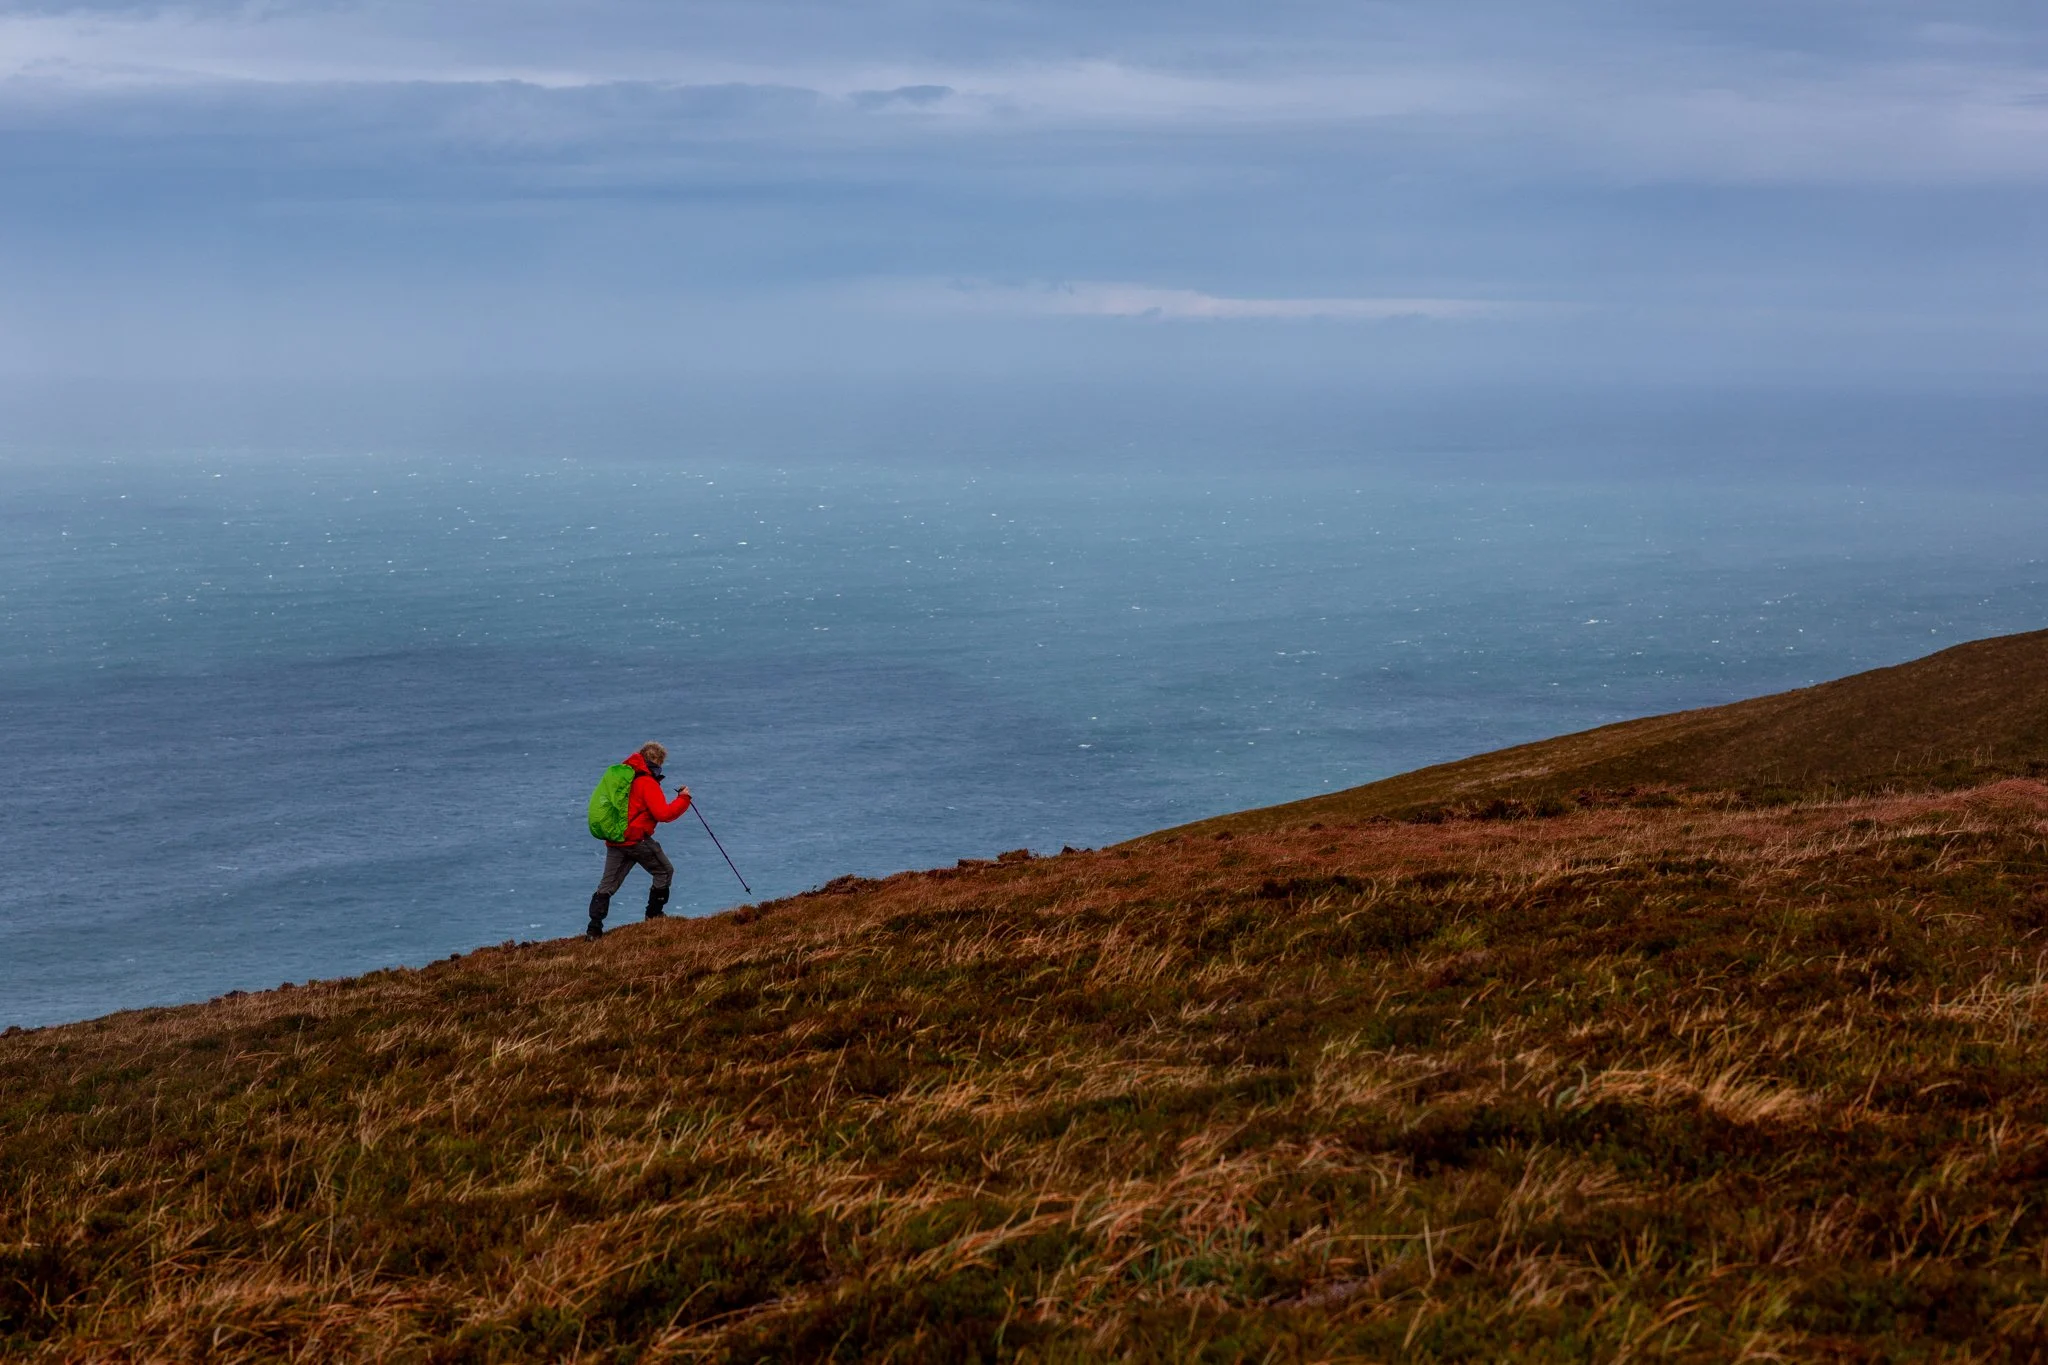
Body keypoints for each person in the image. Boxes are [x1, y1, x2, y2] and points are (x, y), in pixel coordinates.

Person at [588, 742, 691, 939]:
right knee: (664, 871)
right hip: (636, 839)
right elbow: (663, 814)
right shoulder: (646, 782)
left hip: (616, 838)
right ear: (658, 762)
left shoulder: (625, 778)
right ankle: (654, 916)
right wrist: (684, 799)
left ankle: (593, 930)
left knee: (607, 885)